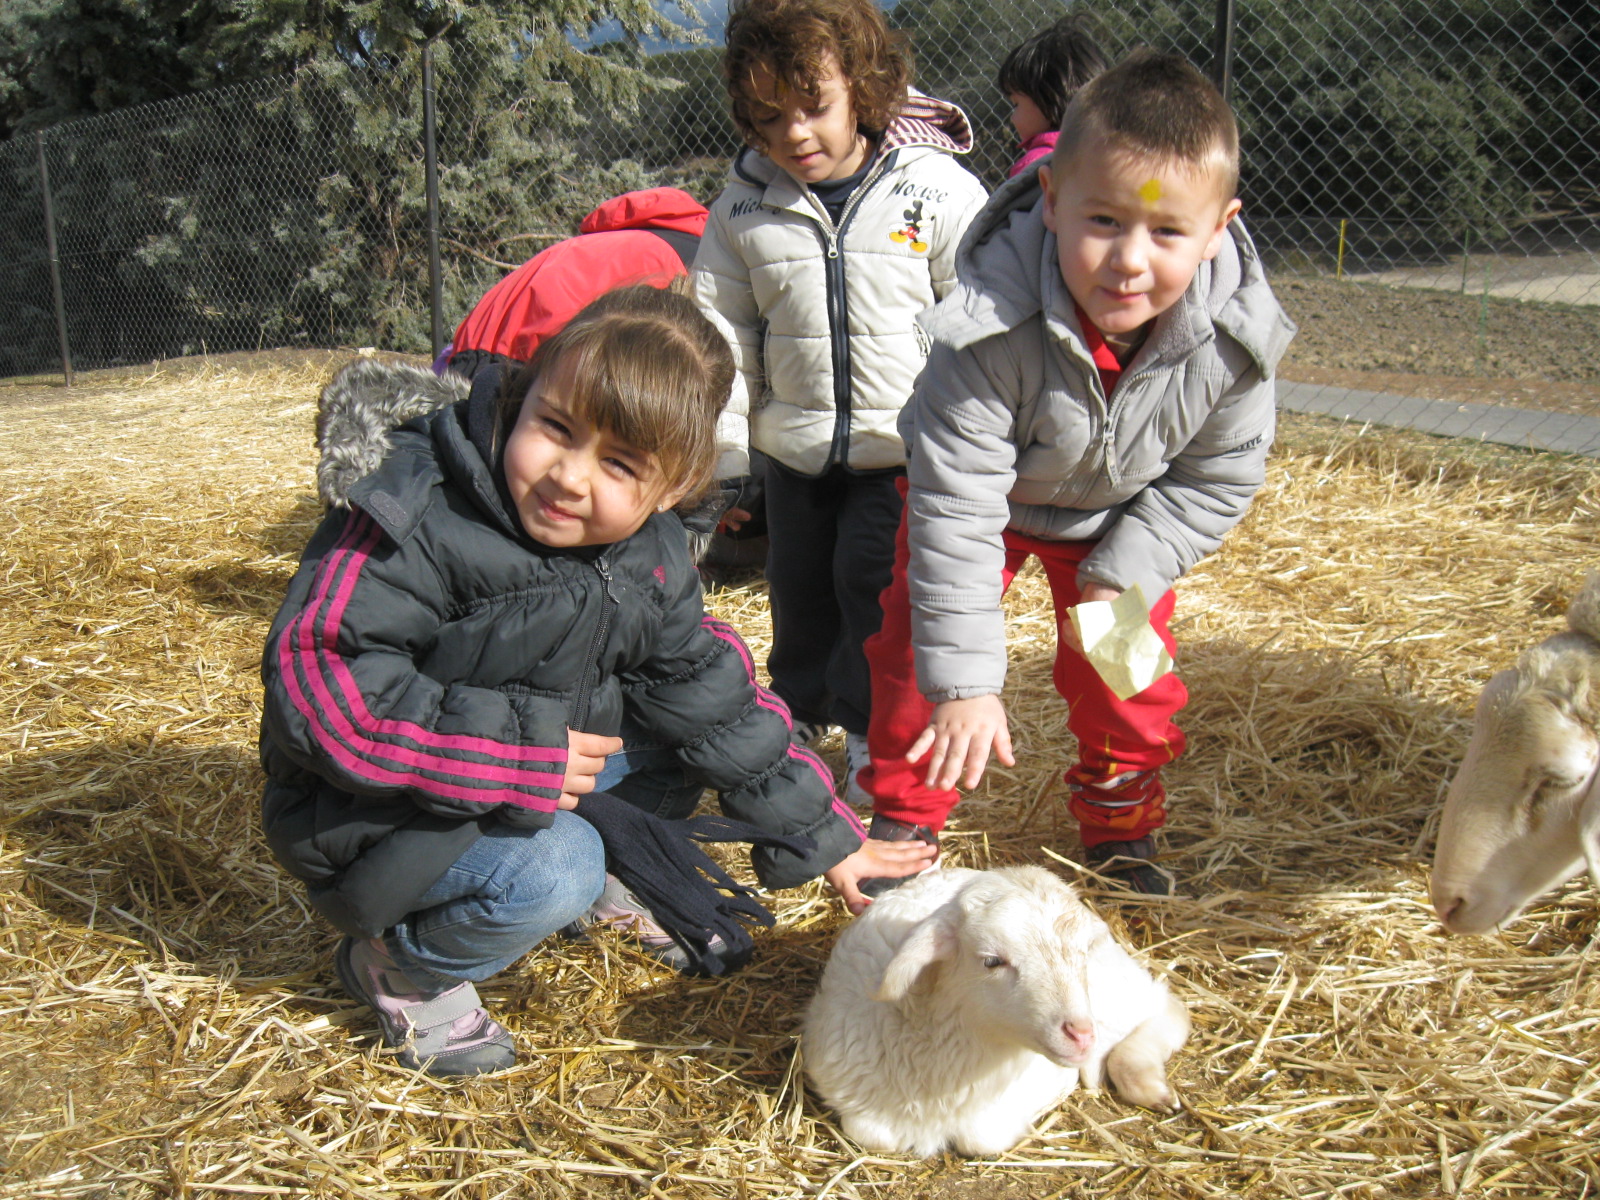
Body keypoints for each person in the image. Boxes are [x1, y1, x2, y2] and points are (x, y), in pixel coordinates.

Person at [259, 287, 935, 1079]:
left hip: (518, 766)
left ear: (674, 487)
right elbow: (324, 688)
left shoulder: (646, 554)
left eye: (619, 464)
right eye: (556, 428)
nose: (568, 476)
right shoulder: (418, 512)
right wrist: (519, 758)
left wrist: (827, 839)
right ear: (524, 396)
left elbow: (714, 701)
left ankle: (609, 885)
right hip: (368, 807)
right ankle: (404, 966)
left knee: (681, 725)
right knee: (560, 866)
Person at [857, 50, 1297, 896]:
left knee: (1128, 676)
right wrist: (970, 685)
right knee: (921, 652)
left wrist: (1119, 573)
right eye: (1104, 221)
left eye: (1168, 232)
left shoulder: (1235, 345)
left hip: (1116, 525)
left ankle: (1121, 816)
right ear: (1052, 202)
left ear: (1217, 230)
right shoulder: (986, 329)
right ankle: (907, 822)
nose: (1130, 261)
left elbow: (1218, 479)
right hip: (982, 507)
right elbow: (956, 511)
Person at [692, 0, 988, 805]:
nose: (794, 134)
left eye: (813, 106)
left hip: (900, 453)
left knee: (874, 595)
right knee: (799, 588)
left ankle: (868, 735)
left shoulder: (933, 191)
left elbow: (980, 317)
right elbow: (722, 334)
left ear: (864, 86)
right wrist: (724, 456)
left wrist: (970, 441)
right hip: (794, 451)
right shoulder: (745, 208)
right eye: (767, 117)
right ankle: (799, 719)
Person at [437, 188, 765, 549]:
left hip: (473, 356)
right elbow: (685, 387)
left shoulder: (631, 238)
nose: (571, 478)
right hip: (540, 368)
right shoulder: (701, 264)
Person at [997, 13, 1108, 180]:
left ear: (1048, 99)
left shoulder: (1034, 166)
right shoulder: (1111, 152)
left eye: (1016, 104)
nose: (1012, 118)